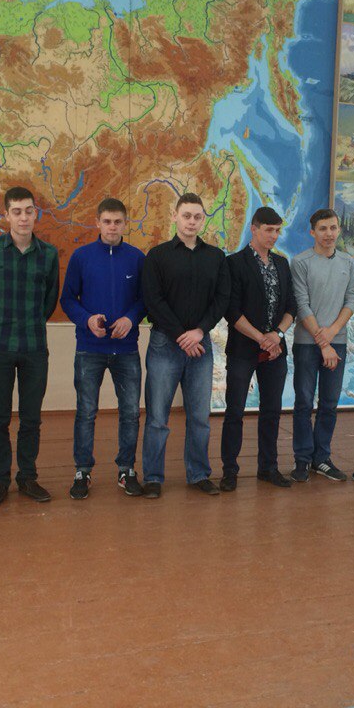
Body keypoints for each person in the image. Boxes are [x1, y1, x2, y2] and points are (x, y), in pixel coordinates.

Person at [140, 192, 230, 498]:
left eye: (197, 217)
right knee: (157, 417)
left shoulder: (215, 257)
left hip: (201, 346)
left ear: (203, 219)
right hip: (165, 345)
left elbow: (221, 299)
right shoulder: (157, 256)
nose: (192, 221)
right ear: (175, 216)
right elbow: (153, 300)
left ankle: (199, 473)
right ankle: (153, 477)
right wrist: (182, 335)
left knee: (199, 417)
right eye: (186, 215)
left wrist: (199, 331)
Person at [61, 197, 146, 500]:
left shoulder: (137, 258)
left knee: (130, 412)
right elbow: (67, 299)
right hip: (90, 348)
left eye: (118, 222)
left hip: (126, 350)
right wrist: (87, 320)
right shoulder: (81, 257)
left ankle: (126, 469)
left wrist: (130, 318)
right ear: (97, 222)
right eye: (107, 221)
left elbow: (145, 299)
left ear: (125, 224)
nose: (112, 227)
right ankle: (82, 471)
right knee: (86, 412)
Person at [0, 187, 59, 507]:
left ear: (35, 213)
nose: (23, 217)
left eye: (28, 211)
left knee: (31, 418)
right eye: (16, 211)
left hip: (34, 346)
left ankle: (27, 477)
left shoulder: (49, 254)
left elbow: (49, 300)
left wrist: (31, 323)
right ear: (6, 215)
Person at [219, 207, 297, 491]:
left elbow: (291, 306)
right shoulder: (234, 263)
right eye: (268, 230)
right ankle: (230, 470)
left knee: (272, 410)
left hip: (275, 350)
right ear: (254, 229)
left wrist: (277, 336)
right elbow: (232, 310)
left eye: (277, 231)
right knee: (235, 411)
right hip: (243, 349)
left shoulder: (282, 264)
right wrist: (261, 338)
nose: (274, 236)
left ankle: (268, 467)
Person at [290, 209, 354, 482]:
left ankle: (321, 458)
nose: (328, 233)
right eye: (322, 229)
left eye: (333, 228)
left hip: (337, 342)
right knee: (304, 403)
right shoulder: (300, 262)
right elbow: (301, 303)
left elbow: (351, 299)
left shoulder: (347, 262)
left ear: (339, 230)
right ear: (312, 232)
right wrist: (323, 341)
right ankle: (302, 459)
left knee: (329, 404)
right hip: (307, 344)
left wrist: (331, 333)